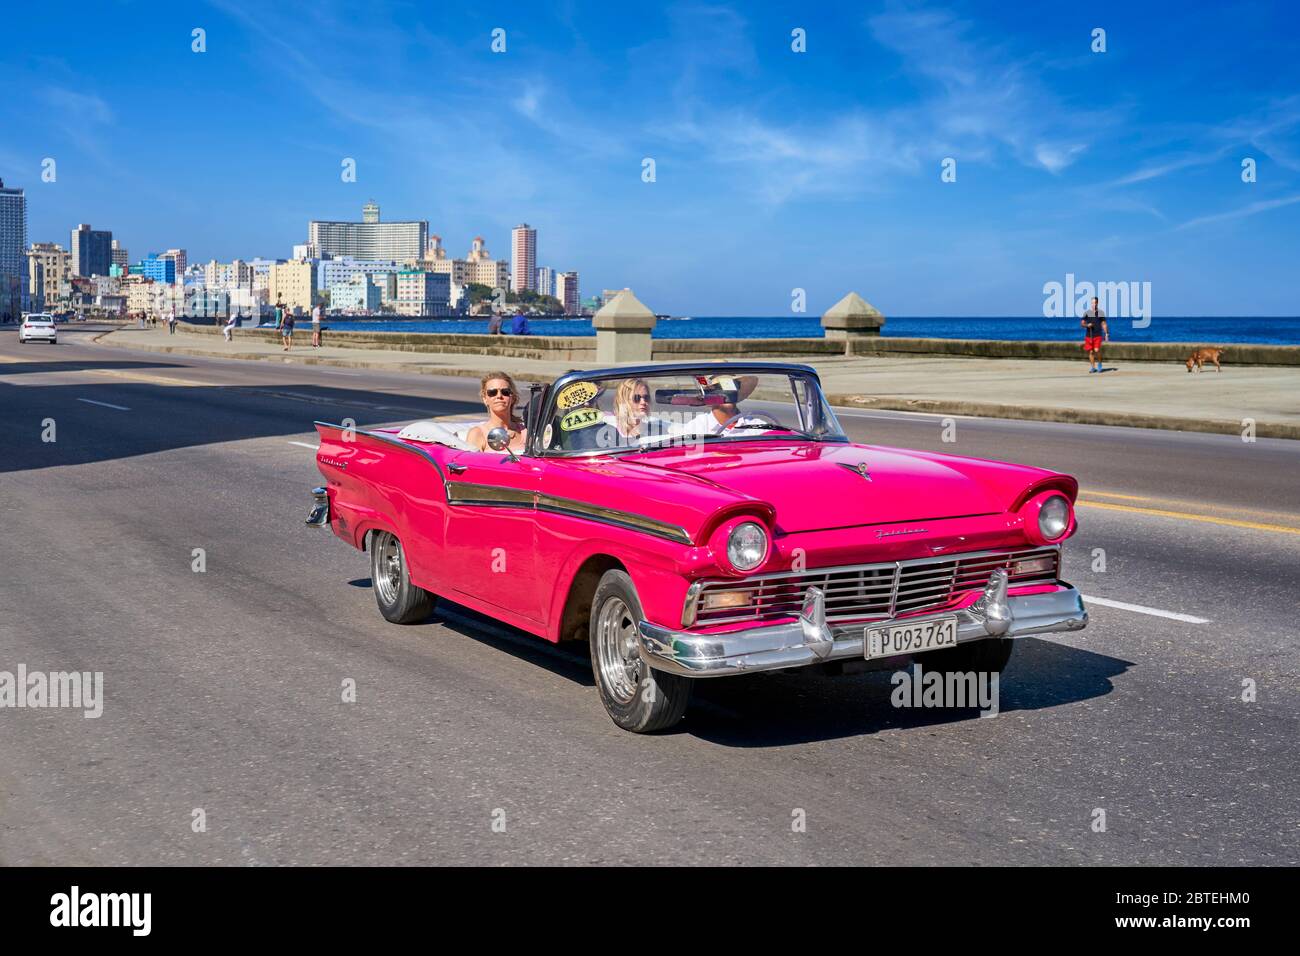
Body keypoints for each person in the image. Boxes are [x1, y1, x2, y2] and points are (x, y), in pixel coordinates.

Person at [466, 371, 528, 454]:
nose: (499, 396)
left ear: (513, 398)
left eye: (505, 392)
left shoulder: (526, 432)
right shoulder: (477, 434)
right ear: (485, 399)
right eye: (492, 392)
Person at [1081, 296, 1109, 373]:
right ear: (1091, 304)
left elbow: (1104, 324)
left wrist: (1106, 333)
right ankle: (1093, 367)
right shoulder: (1087, 313)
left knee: (1097, 350)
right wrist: (1087, 325)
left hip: (1097, 335)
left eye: (1095, 303)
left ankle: (1099, 364)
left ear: (1097, 303)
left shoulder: (1101, 313)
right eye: (1092, 303)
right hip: (1089, 336)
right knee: (1090, 352)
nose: (1094, 304)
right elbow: (1082, 324)